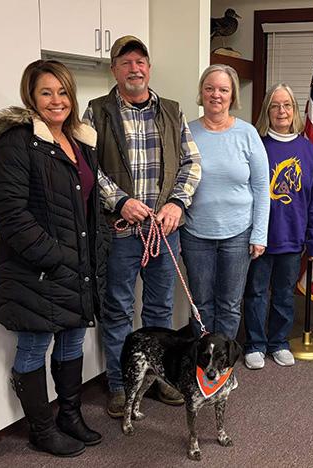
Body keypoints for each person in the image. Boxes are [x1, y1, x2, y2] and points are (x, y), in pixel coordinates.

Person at [0, 60, 108, 457]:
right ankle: (41, 429)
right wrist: (55, 257)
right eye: (46, 93)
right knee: (34, 345)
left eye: (63, 92)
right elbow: (9, 214)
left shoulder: (80, 140)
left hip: (76, 264)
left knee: (72, 340)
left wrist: (92, 252)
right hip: (36, 269)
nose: (57, 101)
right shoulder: (16, 142)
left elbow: (88, 203)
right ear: (31, 97)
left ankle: (69, 415)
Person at [82, 36, 201, 417]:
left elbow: (191, 164)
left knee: (159, 309)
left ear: (149, 68)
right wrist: (120, 201)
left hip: (163, 233)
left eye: (140, 62)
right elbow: (88, 167)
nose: (135, 69)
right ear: (114, 69)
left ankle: (160, 377)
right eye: (126, 62)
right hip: (119, 233)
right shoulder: (96, 112)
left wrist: (176, 203)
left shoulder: (172, 111)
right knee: (118, 310)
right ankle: (120, 384)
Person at [181, 64, 269, 340]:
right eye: (209, 88)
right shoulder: (186, 132)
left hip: (238, 233)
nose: (216, 95)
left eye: (223, 89)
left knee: (230, 305)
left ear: (232, 95)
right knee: (201, 303)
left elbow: (261, 187)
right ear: (202, 93)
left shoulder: (247, 134)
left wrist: (260, 234)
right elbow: (176, 181)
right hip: (195, 233)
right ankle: (202, 359)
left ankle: (223, 361)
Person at [243, 83, 313, 370]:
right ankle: (255, 344)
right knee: (256, 292)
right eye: (275, 105)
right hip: (259, 237)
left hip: (292, 237)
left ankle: (278, 342)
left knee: (283, 294)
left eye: (287, 105)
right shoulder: (256, 144)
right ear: (267, 110)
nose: (281, 111)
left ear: (295, 110)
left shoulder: (307, 149)